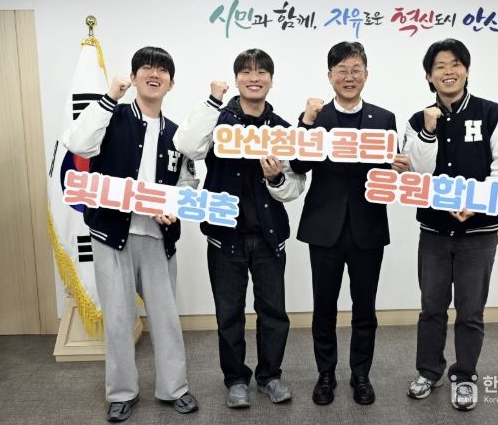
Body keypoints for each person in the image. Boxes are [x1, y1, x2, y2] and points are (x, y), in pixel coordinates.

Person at [62, 47, 199, 422]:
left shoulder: (178, 134)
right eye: (146, 68)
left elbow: (187, 182)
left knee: (166, 319)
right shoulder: (112, 115)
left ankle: (175, 388)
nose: (154, 74)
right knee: (119, 319)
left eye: (162, 70)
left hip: (158, 237)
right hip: (111, 234)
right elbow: (78, 144)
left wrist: (176, 206)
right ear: (134, 76)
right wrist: (110, 97)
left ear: (171, 82)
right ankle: (121, 393)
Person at [173, 48, 305, 409]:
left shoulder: (281, 129)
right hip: (225, 236)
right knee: (229, 314)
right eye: (246, 72)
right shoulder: (218, 120)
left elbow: (295, 187)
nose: (254, 78)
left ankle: (270, 376)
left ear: (271, 80)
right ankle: (235, 379)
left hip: (268, 236)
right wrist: (212, 101)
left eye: (262, 72)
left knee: (273, 312)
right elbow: (186, 145)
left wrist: (275, 178)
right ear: (236, 79)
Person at [404, 38, 498, 411]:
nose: (448, 71)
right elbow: (416, 175)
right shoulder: (417, 120)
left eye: (455, 64)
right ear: (429, 75)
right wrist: (427, 132)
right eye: (440, 66)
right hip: (434, 233)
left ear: (467, 70)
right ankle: (429, 371)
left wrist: (477, 201)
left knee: (471, 311)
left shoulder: (493, 114)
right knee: (431, 308)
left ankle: (465, 375)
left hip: (479, 234)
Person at [291, 41, 410, 406]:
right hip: (324, 227)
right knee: (324, 307)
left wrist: (396, 169)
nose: (349, 76)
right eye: (341, 70)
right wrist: (305, 122)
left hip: (367, 227)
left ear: (366, 75)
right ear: (330, 76)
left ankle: (361, 374)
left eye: (355, 69)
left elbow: (386, 174)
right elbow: (298, 165)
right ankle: (325, 374)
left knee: (364, 308)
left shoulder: (384, 119)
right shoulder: (316, 117)